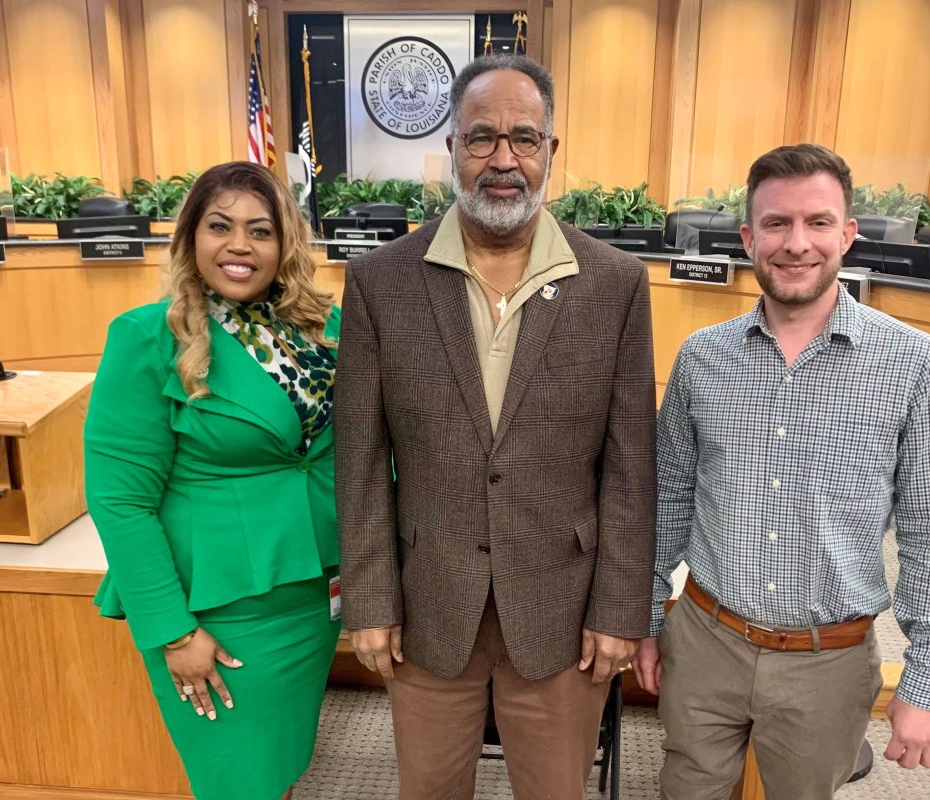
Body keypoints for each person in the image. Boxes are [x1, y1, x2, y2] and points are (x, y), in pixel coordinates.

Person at [334, 54, 656, 799]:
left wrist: (619, 608)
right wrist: (370, 600)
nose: (504, 159)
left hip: (563, 611)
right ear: (452, 148)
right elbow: (360, 459)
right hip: (428, 605)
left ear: (550, 151)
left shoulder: (614, 283)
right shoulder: (380, 281)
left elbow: (631, 466)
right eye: (482, 138)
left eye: (524, 138)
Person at [632, 143, 930, 799]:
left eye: (817, 222)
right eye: (776, 224)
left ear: (847, 234)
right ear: (748, 238)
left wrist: (927, 682)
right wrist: (645, 618)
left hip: (829, 662)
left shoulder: (914, 363)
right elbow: (666, 500)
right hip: (704, 642)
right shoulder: (701, 358)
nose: (796, 243)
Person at [85, 161, 342, 800]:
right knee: (237, 781)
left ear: (284, 244)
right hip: (217, 612)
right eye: (220, 227)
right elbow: (120, 501)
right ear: (191, 237)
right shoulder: (147, 338)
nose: (239, 245)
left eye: (260, 230)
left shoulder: (322, 330)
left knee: (281, 768)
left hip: (313, 597)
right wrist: (173, 631)